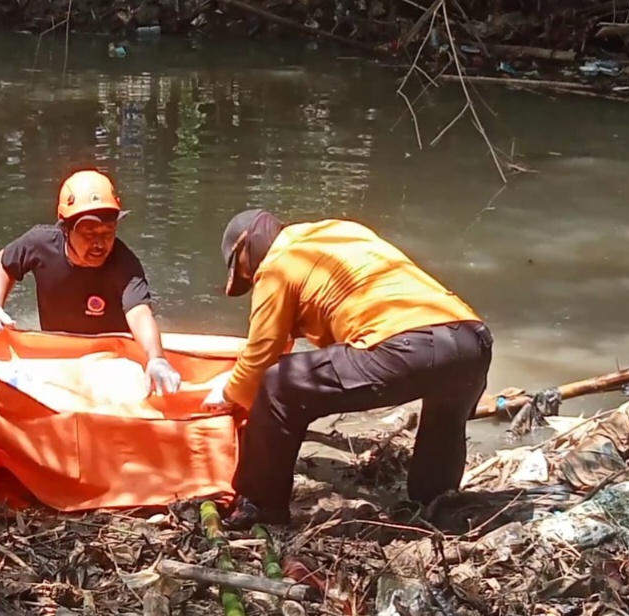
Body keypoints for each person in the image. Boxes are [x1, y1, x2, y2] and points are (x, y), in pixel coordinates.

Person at [201, 209, 493, 529]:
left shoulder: (277, 264)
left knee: (279, 383)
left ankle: (261, 507)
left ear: (247, 250)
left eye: (244, 272)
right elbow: (295, 332)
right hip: (471, 341)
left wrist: (228, 392)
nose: (251, 279)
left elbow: (260, 358)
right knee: (445, 423)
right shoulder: (338, 232)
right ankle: (436, 506)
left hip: (407, 344)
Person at [0, 170, 181, 396]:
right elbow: (5, 263)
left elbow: (139, 312)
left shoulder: (125, 263)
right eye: (89, 234)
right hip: (58, 353)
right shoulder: (39, 244)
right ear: (65, 229)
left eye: (108, 233)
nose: (99, 244)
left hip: (109, 359)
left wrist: (156, 358)